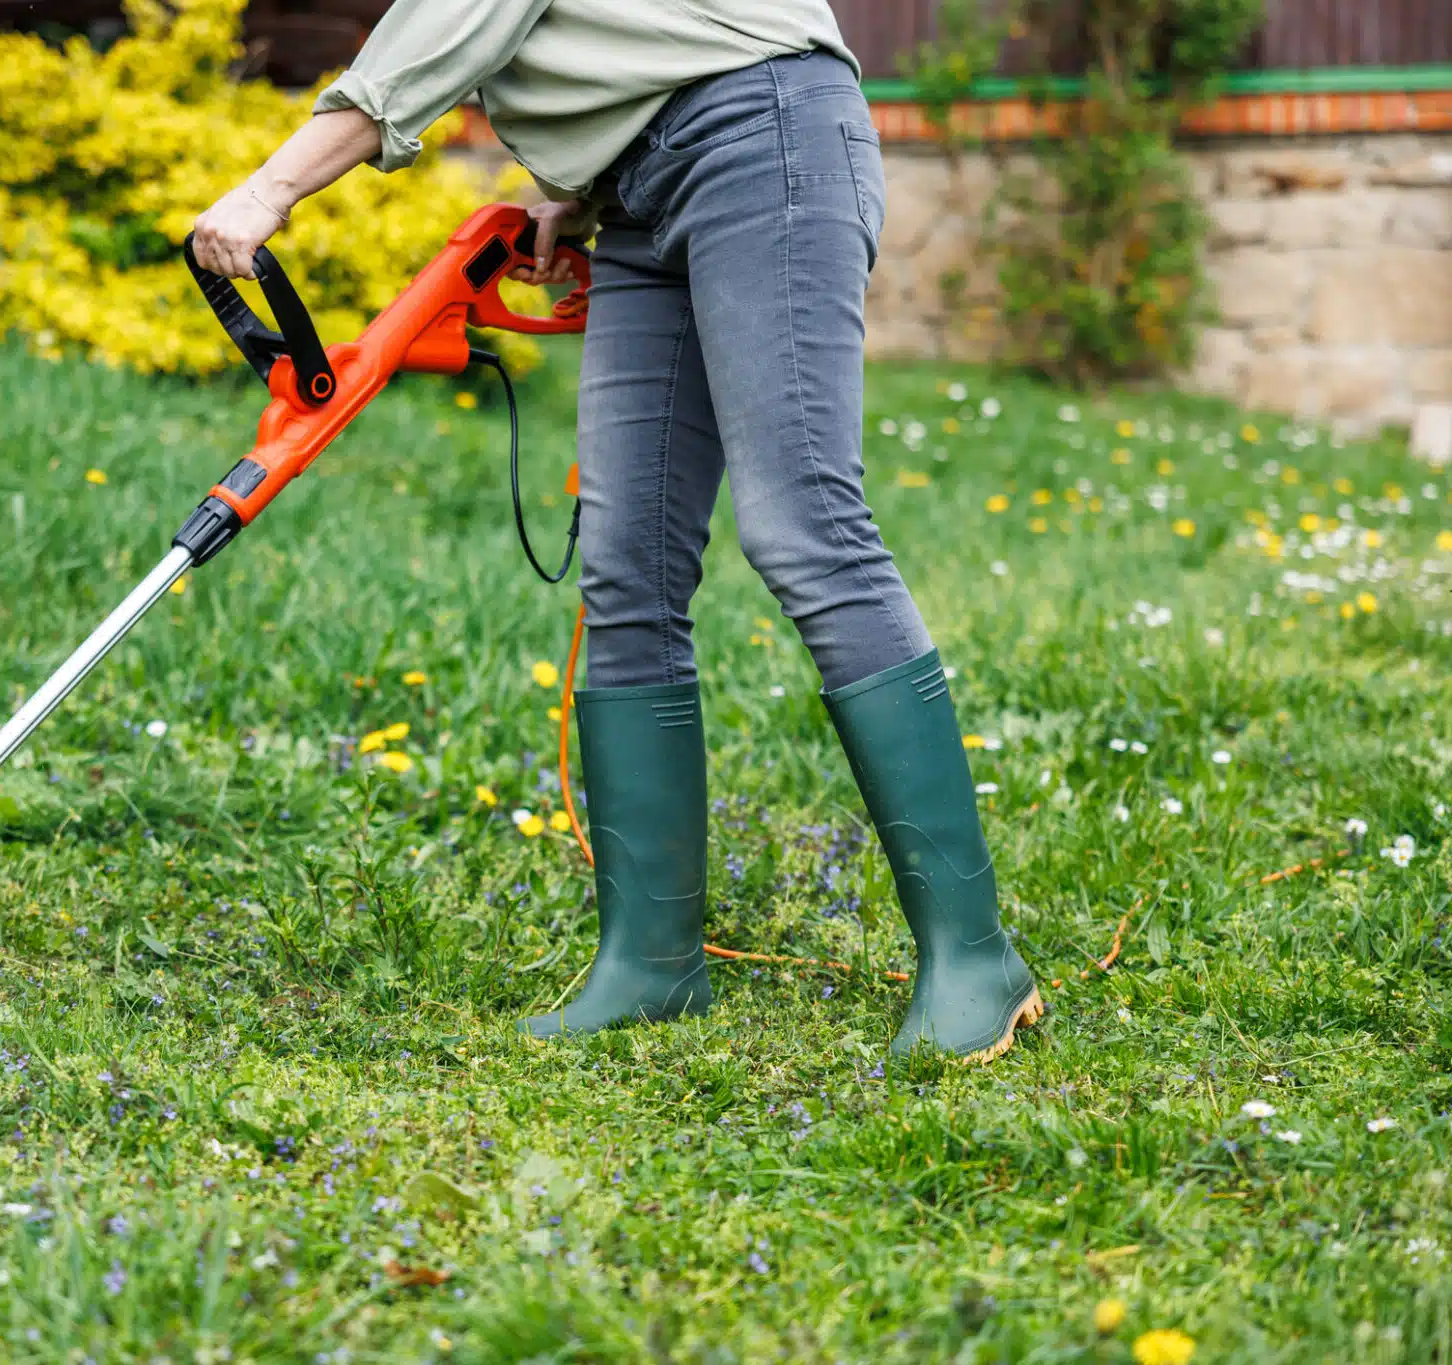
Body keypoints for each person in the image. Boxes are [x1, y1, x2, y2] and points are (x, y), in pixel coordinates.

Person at [190, 1, 1042, 1062]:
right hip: (637, 195)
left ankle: (973, 956)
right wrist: (575, 187)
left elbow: (451, 26)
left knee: (805, 528)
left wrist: (271, 187)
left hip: (760, 137)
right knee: (626, 563)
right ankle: (650, 962)